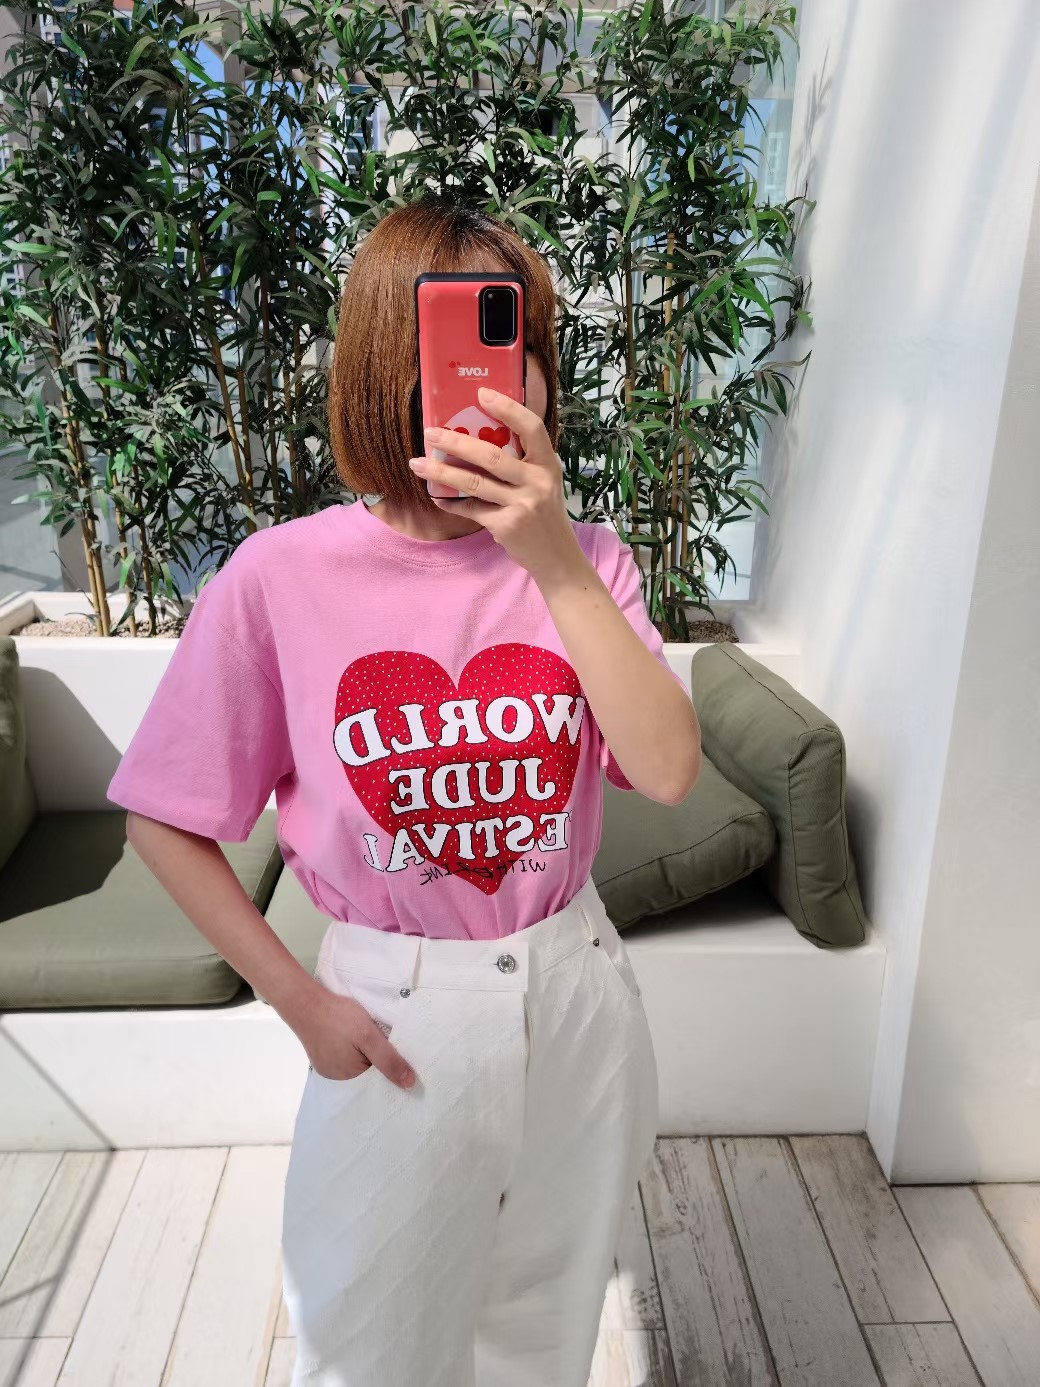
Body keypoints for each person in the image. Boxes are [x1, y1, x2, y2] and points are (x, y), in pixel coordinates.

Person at [106, 199, 701, 1387]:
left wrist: (549, 559)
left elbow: (668, 768)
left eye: (514, 335)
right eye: (456, 339)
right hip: (398, 1015)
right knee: (367, 1343)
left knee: (542, 1333)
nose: (496, 374)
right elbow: (163, 818)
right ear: (389, 366)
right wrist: (297, 1003)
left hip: (575, 991)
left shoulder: (590, 562)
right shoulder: (280, 578)